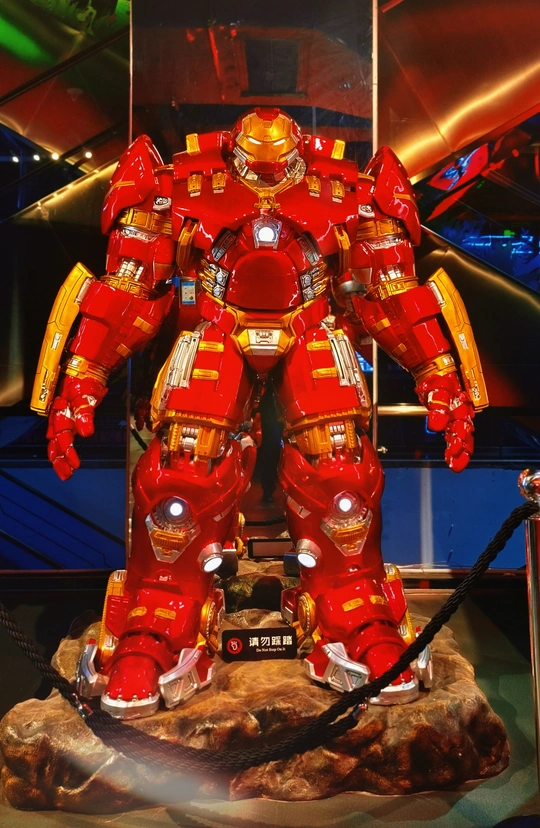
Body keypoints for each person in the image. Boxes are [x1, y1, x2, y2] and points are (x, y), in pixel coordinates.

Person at [32, 108, 488, 719]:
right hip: (217, 328)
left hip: (311, 329)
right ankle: (160, 614)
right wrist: (81, 382)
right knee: (183, 467)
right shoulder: (178, 183)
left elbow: (391, 293)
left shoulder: (348, 188)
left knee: (339, 465)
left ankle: (352, 603)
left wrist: (440, 377)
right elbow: (129, 287)